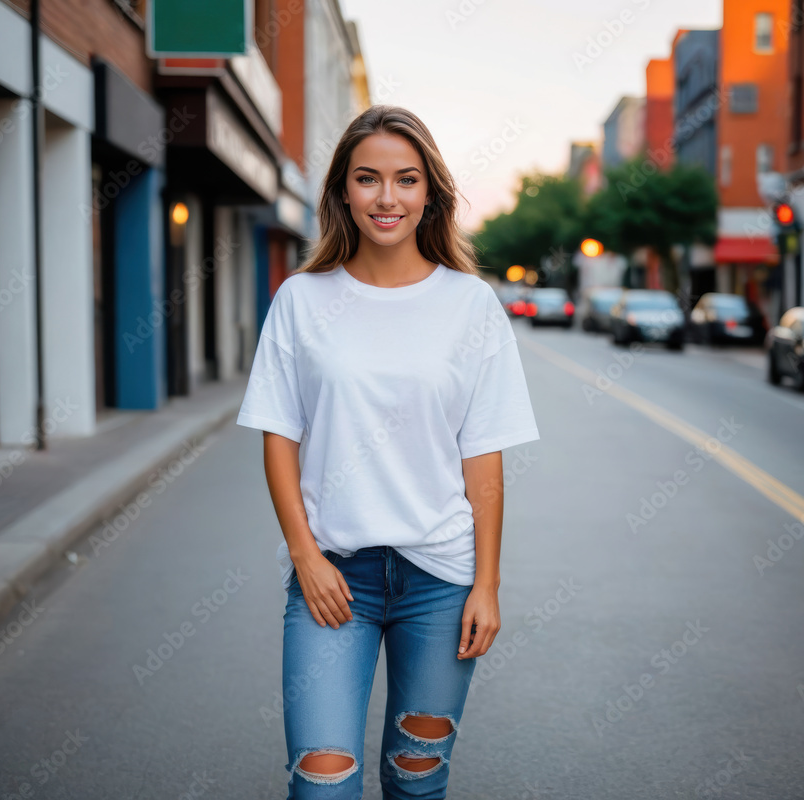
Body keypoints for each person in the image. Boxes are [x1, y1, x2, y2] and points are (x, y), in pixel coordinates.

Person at [236, 104, 539, 799]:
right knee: (322, 784)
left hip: (441, 581)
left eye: (406, 180)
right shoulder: (302, 301)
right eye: (368, 179)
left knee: (417, 779)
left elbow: (484, 460)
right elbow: (278, 439)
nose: (387, 197)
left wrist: (486, 584)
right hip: (334, 578)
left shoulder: (471, 306)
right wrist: (305, 556)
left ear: (429, 191)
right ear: (343, 189)